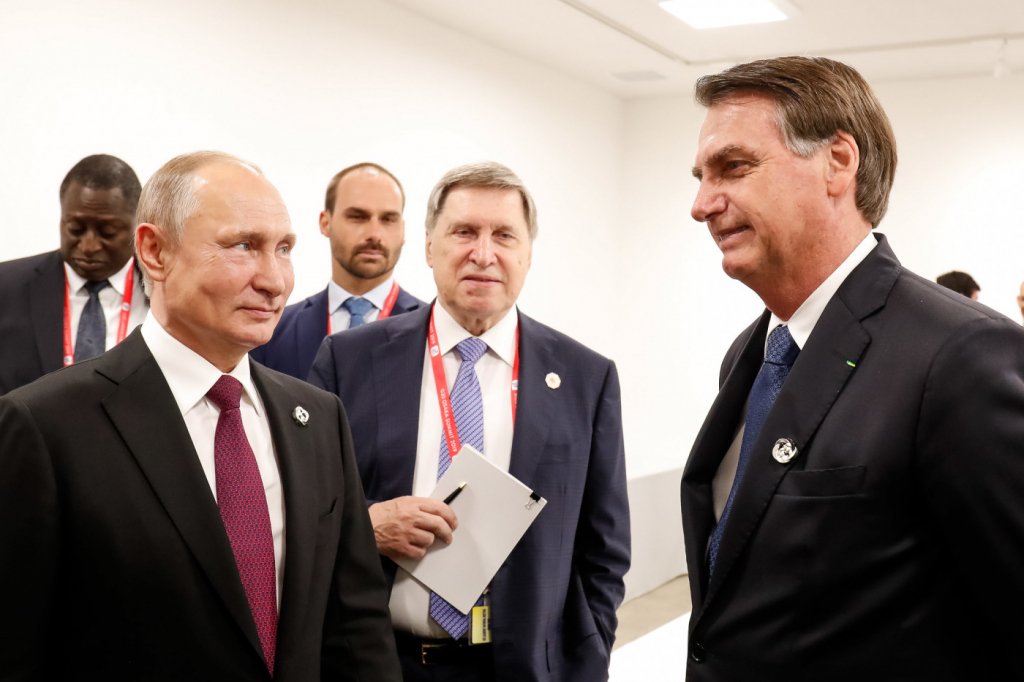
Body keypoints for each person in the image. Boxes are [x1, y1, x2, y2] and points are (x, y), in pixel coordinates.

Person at [682, 56, 1024, 680]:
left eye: (733, 167)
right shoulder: (750, 354)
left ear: (838, 162)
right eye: (701, 176)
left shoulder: (960, 356)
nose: (702, 204)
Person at [0, 151, 401, 681]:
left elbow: (356, 628)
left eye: (283, 249)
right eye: (243, 246)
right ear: (155, 251)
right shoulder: (46, 426)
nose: (275, 280)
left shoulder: (318, 418)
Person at [309, 161, 630, 681]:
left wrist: (584, 663)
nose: (484, 253)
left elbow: (605, 550)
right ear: (430, 246)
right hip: (378, 662)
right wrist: (367, 527)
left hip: (522, 670)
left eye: (504, 234)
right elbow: (304, 510)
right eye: (464, 232)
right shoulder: (349, 361)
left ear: (527, 253)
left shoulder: (584, 378)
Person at [251, 162, 424, 380]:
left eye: (388, 219)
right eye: (358, 216)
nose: (374, 233)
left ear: (403, 229)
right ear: (325, 222)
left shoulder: (433, 331)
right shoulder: (273, 329)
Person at [0, 154, 147, 395]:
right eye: (75, 229)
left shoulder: (168, 294)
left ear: (137, 225)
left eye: (107, 232)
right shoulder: (6, 288)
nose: (88, 246)